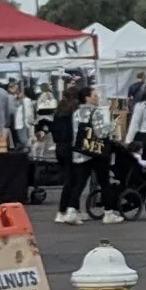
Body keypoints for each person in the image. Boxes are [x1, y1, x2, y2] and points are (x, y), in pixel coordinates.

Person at [50, 78, 91, 222]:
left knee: (69, 180)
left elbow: (54, 132)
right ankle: (69, 209)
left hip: (59, 147)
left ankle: (63, 211)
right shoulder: (76, 111)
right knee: (77, 181)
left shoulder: (59, 111)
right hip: (72, 148)